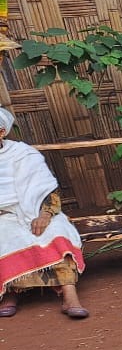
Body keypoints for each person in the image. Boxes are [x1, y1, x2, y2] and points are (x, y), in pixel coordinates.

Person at [0, 106, 88, 319]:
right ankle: (10, 293)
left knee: (57, 230)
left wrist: (45, 215)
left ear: (2, 131)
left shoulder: (24, 154)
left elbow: (48, 191)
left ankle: (70, 295)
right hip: (3, 215)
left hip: (36, 210)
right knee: (6, 234)